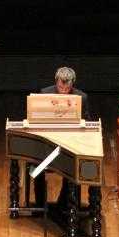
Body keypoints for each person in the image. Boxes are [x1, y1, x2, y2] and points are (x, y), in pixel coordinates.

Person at [33, 66, 90, 210]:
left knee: (73, 165)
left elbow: (87, 121)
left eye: (67, 88)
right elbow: (37, 119)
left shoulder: (81, 97)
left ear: (72, 84)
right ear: (56, 82)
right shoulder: (45, 93)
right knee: (36, 167)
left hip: (71, 144)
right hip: (48, 144)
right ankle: (40, 205)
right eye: (60, 87)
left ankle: (68, 203)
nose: (63, 91)